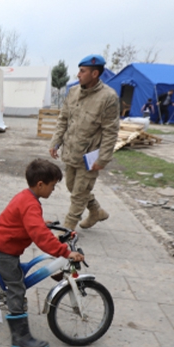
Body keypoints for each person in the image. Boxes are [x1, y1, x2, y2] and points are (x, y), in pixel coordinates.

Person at [0, 159, 85, 347]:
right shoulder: (30, 204)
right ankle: (20, 338)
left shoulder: (27, 198)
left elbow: (28, 221)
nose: (53, 190)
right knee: (17, 286)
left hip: (2, 244)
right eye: (53, 186)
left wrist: (41, 222)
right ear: (40, 184)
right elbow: (40, 237)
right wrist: (65, 251)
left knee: (16, 272)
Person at [49, 54, 119, 230]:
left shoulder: (108, 97)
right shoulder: (73, 92)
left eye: (82, 71)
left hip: (90, 156)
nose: (78, 74)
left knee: (79, 193)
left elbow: (110, 131)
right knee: (72, 186)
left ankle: (68, 228)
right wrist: (55, 142)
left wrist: (103, 159)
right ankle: (96, 211)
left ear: (95, 74)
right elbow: (63, 119)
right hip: (71, 152)